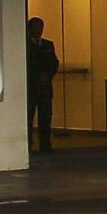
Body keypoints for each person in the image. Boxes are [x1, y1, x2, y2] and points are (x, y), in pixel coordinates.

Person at [26, 17, 60, 155]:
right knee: (28, 117)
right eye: (36, 27)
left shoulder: (48, 45)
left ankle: (45, 144)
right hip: (31, 87)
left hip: (45, 88)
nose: (39, 30)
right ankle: (28, 144)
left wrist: (47, 75)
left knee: (45, 117)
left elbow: (54, 63)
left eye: (41, 27)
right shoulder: (25, 45)